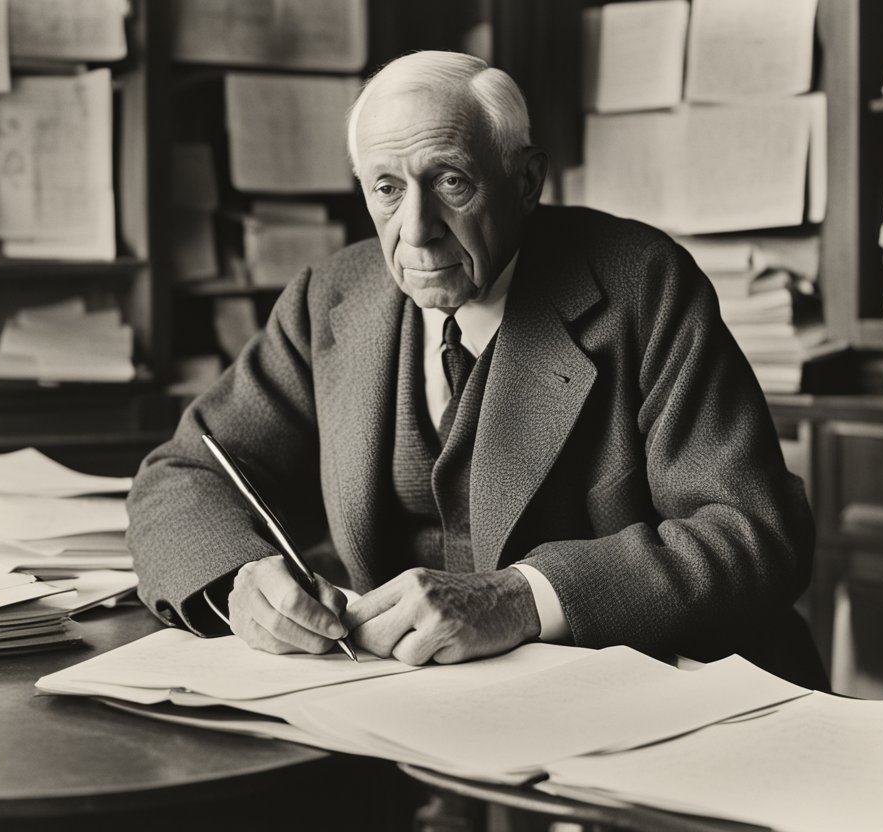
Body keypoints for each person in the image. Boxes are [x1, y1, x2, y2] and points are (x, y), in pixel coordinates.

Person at [128, 51, 826, 689]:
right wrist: (240, 581)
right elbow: (183, 474)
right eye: (387, 189)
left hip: (654, 700)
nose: (417, 228)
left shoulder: (642, 285)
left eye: (451, 182)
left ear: (525, 182)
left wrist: (522, 597)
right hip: (412, 712)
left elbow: (755, 533)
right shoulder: (332, 299)